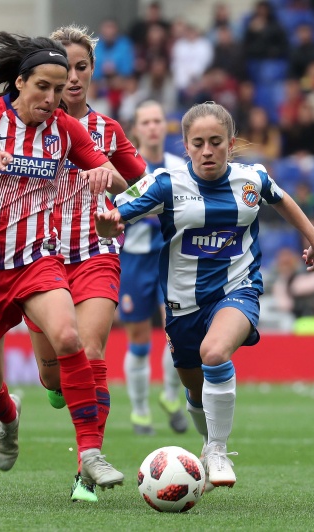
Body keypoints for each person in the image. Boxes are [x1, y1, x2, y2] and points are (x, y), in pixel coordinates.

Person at [0, 31, 128, 494]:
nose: (51, 97)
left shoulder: (65, 129)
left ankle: (90, 455)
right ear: (20, 82)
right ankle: (9, 416)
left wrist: (105, 174)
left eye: (59, 90)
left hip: (36, 259)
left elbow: (117, 178)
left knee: (68, 336)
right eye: (43, 86)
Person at [95, 101, 314, 490]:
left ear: (230, 143)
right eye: (198, 143)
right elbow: (115, 217)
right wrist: (106, 227)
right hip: (182, 305)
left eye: (216, 142)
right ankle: (207, 442)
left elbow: (279, 197)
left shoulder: (251, 179)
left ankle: (217, 449)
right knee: (194, 386)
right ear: (185, 145)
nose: (207, 151)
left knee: (215, 353)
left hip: (238, 288)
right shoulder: (165, 183)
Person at [35, 25, 145, 503]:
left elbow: (147, 187)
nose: (74, 78)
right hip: (37, 258)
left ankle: (88, 466)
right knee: (54, 371)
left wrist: (117, 190)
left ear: (93, 72)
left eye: (82, 68)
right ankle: (57, 385)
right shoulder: (27, 128)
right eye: (65, 70)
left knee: (91, 349)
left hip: (96, 254)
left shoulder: (109, 131)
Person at [119, 100, 188, 437]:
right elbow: (117, 209)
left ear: (166, 126)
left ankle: (170, 396)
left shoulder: (178, 167)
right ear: (136, 129)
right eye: (145, 122)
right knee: (139, 340)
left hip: (171, 258)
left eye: (157, 120)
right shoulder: (126, 168)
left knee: (177, 331)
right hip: (133, 261)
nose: (152, 127)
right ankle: (140, 411)